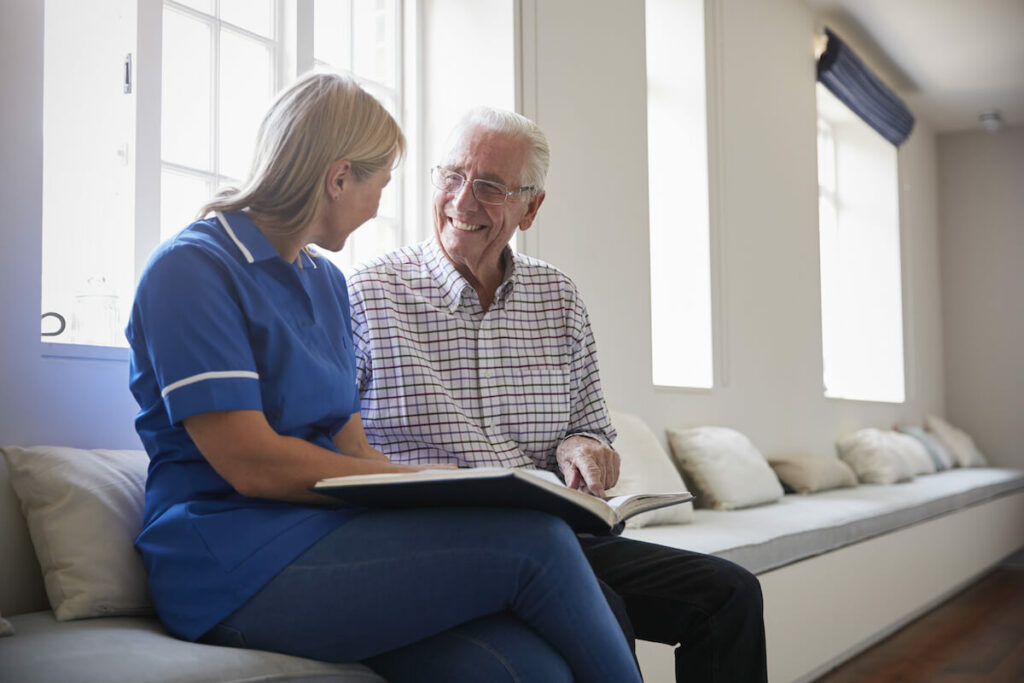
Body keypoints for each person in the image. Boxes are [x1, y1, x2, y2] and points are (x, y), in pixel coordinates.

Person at [126, 73, 642, 683]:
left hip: (328, 539)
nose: (379, 207)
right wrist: (432, 476)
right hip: (228, 561)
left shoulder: (324, 282)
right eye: (381, 184)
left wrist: (461, 487)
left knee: (528, 671)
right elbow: (253, 465)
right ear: (339, 178)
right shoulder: (192, 269)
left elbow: (354, 452)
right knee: (538, 543)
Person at [348, 106, 769, 682]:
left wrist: (584, 449)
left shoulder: (558, 299)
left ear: (532, 206)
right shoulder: (370, 293)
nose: (463, 201)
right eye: (451, 175)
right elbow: (335, 445)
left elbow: (592, 427)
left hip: (558, 536)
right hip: (447, 545)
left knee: (730, 595)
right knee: (607, 611)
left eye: (491, 186)